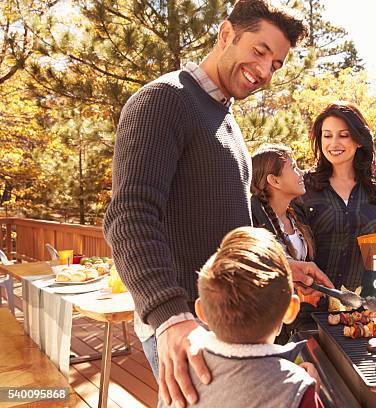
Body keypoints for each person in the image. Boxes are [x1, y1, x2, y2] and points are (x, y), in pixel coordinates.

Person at [103, 1, 331, 407]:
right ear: (226, 34)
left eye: (276, 64)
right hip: (186, 325)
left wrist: (279, 266)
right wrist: (170, 316)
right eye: (259, 51)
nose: (264, 71)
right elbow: (129, 217)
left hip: (225, 326)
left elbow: (229, 228)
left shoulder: (226, 120)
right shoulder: (164, 101)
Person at [157, 226, 324, 408]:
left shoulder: (178, 375)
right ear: (291, 309)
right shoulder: (295, 388)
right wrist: (309, 394)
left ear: (201, 311)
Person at [294, 101, 376, 296]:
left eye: (343, 135)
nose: (333, 144)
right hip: (313, 305)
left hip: (364, 307)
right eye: (327, 135)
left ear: (358, 140)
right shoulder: (303, 186)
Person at [250, 144, 322, 341]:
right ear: (274, 180)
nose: (301, 173)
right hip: (265, 327)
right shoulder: (251, 221)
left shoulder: (296, 217)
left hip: (296, 321)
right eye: (294, 167)